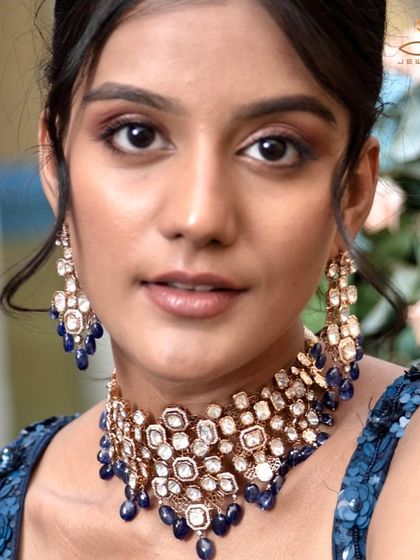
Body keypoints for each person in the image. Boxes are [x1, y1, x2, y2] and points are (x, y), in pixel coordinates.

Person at [0, 1, 419, 558]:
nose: (199, 218)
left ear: (353, 193)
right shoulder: (18, 503)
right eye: (137, 135)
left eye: (273, 148)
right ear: (57, 165)